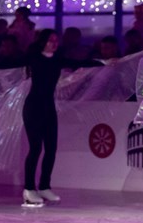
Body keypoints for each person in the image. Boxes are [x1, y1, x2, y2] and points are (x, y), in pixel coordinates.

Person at [17, 29, 102, 207]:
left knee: (51, 148)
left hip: (48, 108)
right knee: (35, 149)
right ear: (43, 42)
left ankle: (44, 186)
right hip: (33, 107)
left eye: (56, 40)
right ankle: (29, 189)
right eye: (51, 40)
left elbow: (80, 63)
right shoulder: (33, 57)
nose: (55, 43)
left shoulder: (57, 59)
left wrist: (104, 62)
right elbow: (7, 63)